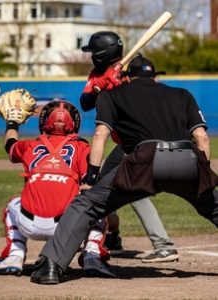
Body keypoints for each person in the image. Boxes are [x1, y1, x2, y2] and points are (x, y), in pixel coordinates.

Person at [30, 55, 218, 285]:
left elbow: (100, 135)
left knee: (85, 205)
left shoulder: (111, 94)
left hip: (144, 161)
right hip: (187, 159)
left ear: (127, 77)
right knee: (214, 206)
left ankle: (51, 266)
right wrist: (202, 175)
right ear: (156, 77)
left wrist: (91, 177)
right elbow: (201, 138)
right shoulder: (183, 95)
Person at [0, 100, 114, 278]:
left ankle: (15, 256)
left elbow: (10, 145)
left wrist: (12, 123)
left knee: (12, 205)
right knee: (96, 205)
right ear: (74, 123)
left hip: (27, 224)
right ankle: (92, 256)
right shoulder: (82, 147)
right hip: (67, 228)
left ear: (45, 121)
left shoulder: (30, 145)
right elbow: (89, 185)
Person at [79, 31, 178, 262]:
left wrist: (121, 83)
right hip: (123, 145)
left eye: (94, 52)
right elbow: (85, 103)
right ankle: (112, 235)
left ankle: (164, 245)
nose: (92, 56)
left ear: (103, 53)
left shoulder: (133, 70)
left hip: (140, 142)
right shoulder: (97, 74)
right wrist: (99, 87)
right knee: (100, 188)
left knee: (134, 192)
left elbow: (148, 100)